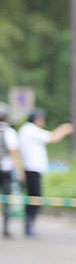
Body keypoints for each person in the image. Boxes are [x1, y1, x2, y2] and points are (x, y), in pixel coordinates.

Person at [17, 108, 74, 238]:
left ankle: (28, 225)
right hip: (32, 169)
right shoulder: (31, 130)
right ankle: (29, 227)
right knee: (35, 199)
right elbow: (53, 137)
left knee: (32, 198)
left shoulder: (25, 130)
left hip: (29, 168)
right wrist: (64, 129)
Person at [0, 102, 24, 238]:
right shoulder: (10, 132)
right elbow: (14, 153)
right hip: (5, 170)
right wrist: (19, 171)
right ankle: (6, 228)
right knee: (6, 200)